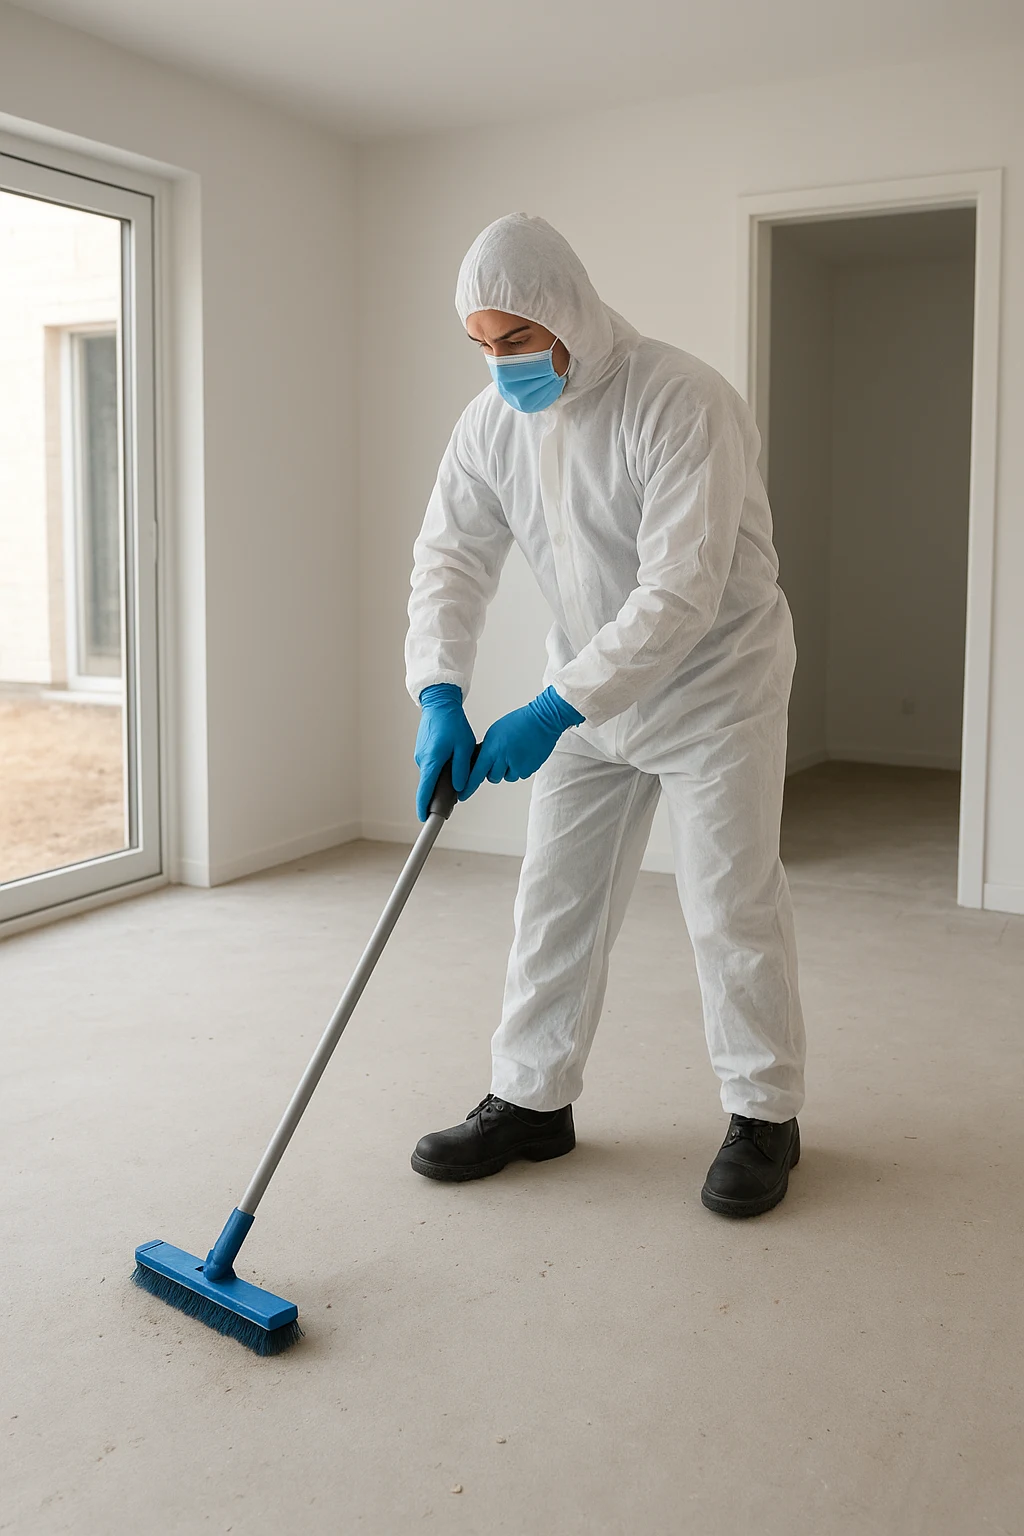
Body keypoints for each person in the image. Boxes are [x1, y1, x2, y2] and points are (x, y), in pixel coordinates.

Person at [405, 213, 805, 1217]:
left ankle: (765, 1114)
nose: (500, 364)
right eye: (482, 345)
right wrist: (440, 691)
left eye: (515, 340)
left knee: (728, 903)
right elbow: (451, 555)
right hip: (585, 690)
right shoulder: (492, 424)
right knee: (554, 899)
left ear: (565, 313)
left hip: (713, 686)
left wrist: (547, 710)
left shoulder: (680, 399)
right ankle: (532, 1101)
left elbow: (680, 593)